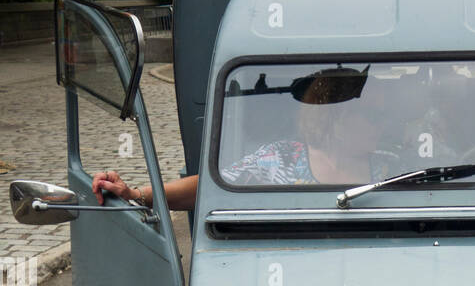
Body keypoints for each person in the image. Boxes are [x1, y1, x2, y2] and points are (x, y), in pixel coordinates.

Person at [93, 67, 385, 212]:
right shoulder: (280, 159)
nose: (383, 123)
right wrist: (135, 195)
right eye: (373, 115)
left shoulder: (391, 167)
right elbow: (208, 188)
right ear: (335, 119)